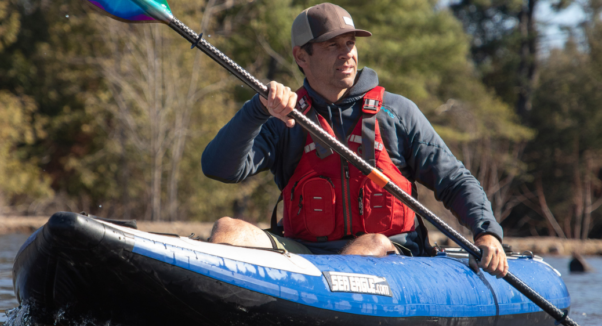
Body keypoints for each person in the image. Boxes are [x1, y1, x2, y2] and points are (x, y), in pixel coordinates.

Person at [201, 3, 508, 278]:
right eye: (331, 45)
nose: (346, 52)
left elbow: (454, 180)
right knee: (227, 229)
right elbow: (219, 168)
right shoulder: (285, 118)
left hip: (391, 255)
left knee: (370, 242)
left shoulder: (397, 112)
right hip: (306, 254)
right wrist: (257, 109)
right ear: (301, 56)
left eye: (350, 43)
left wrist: (487, 233)